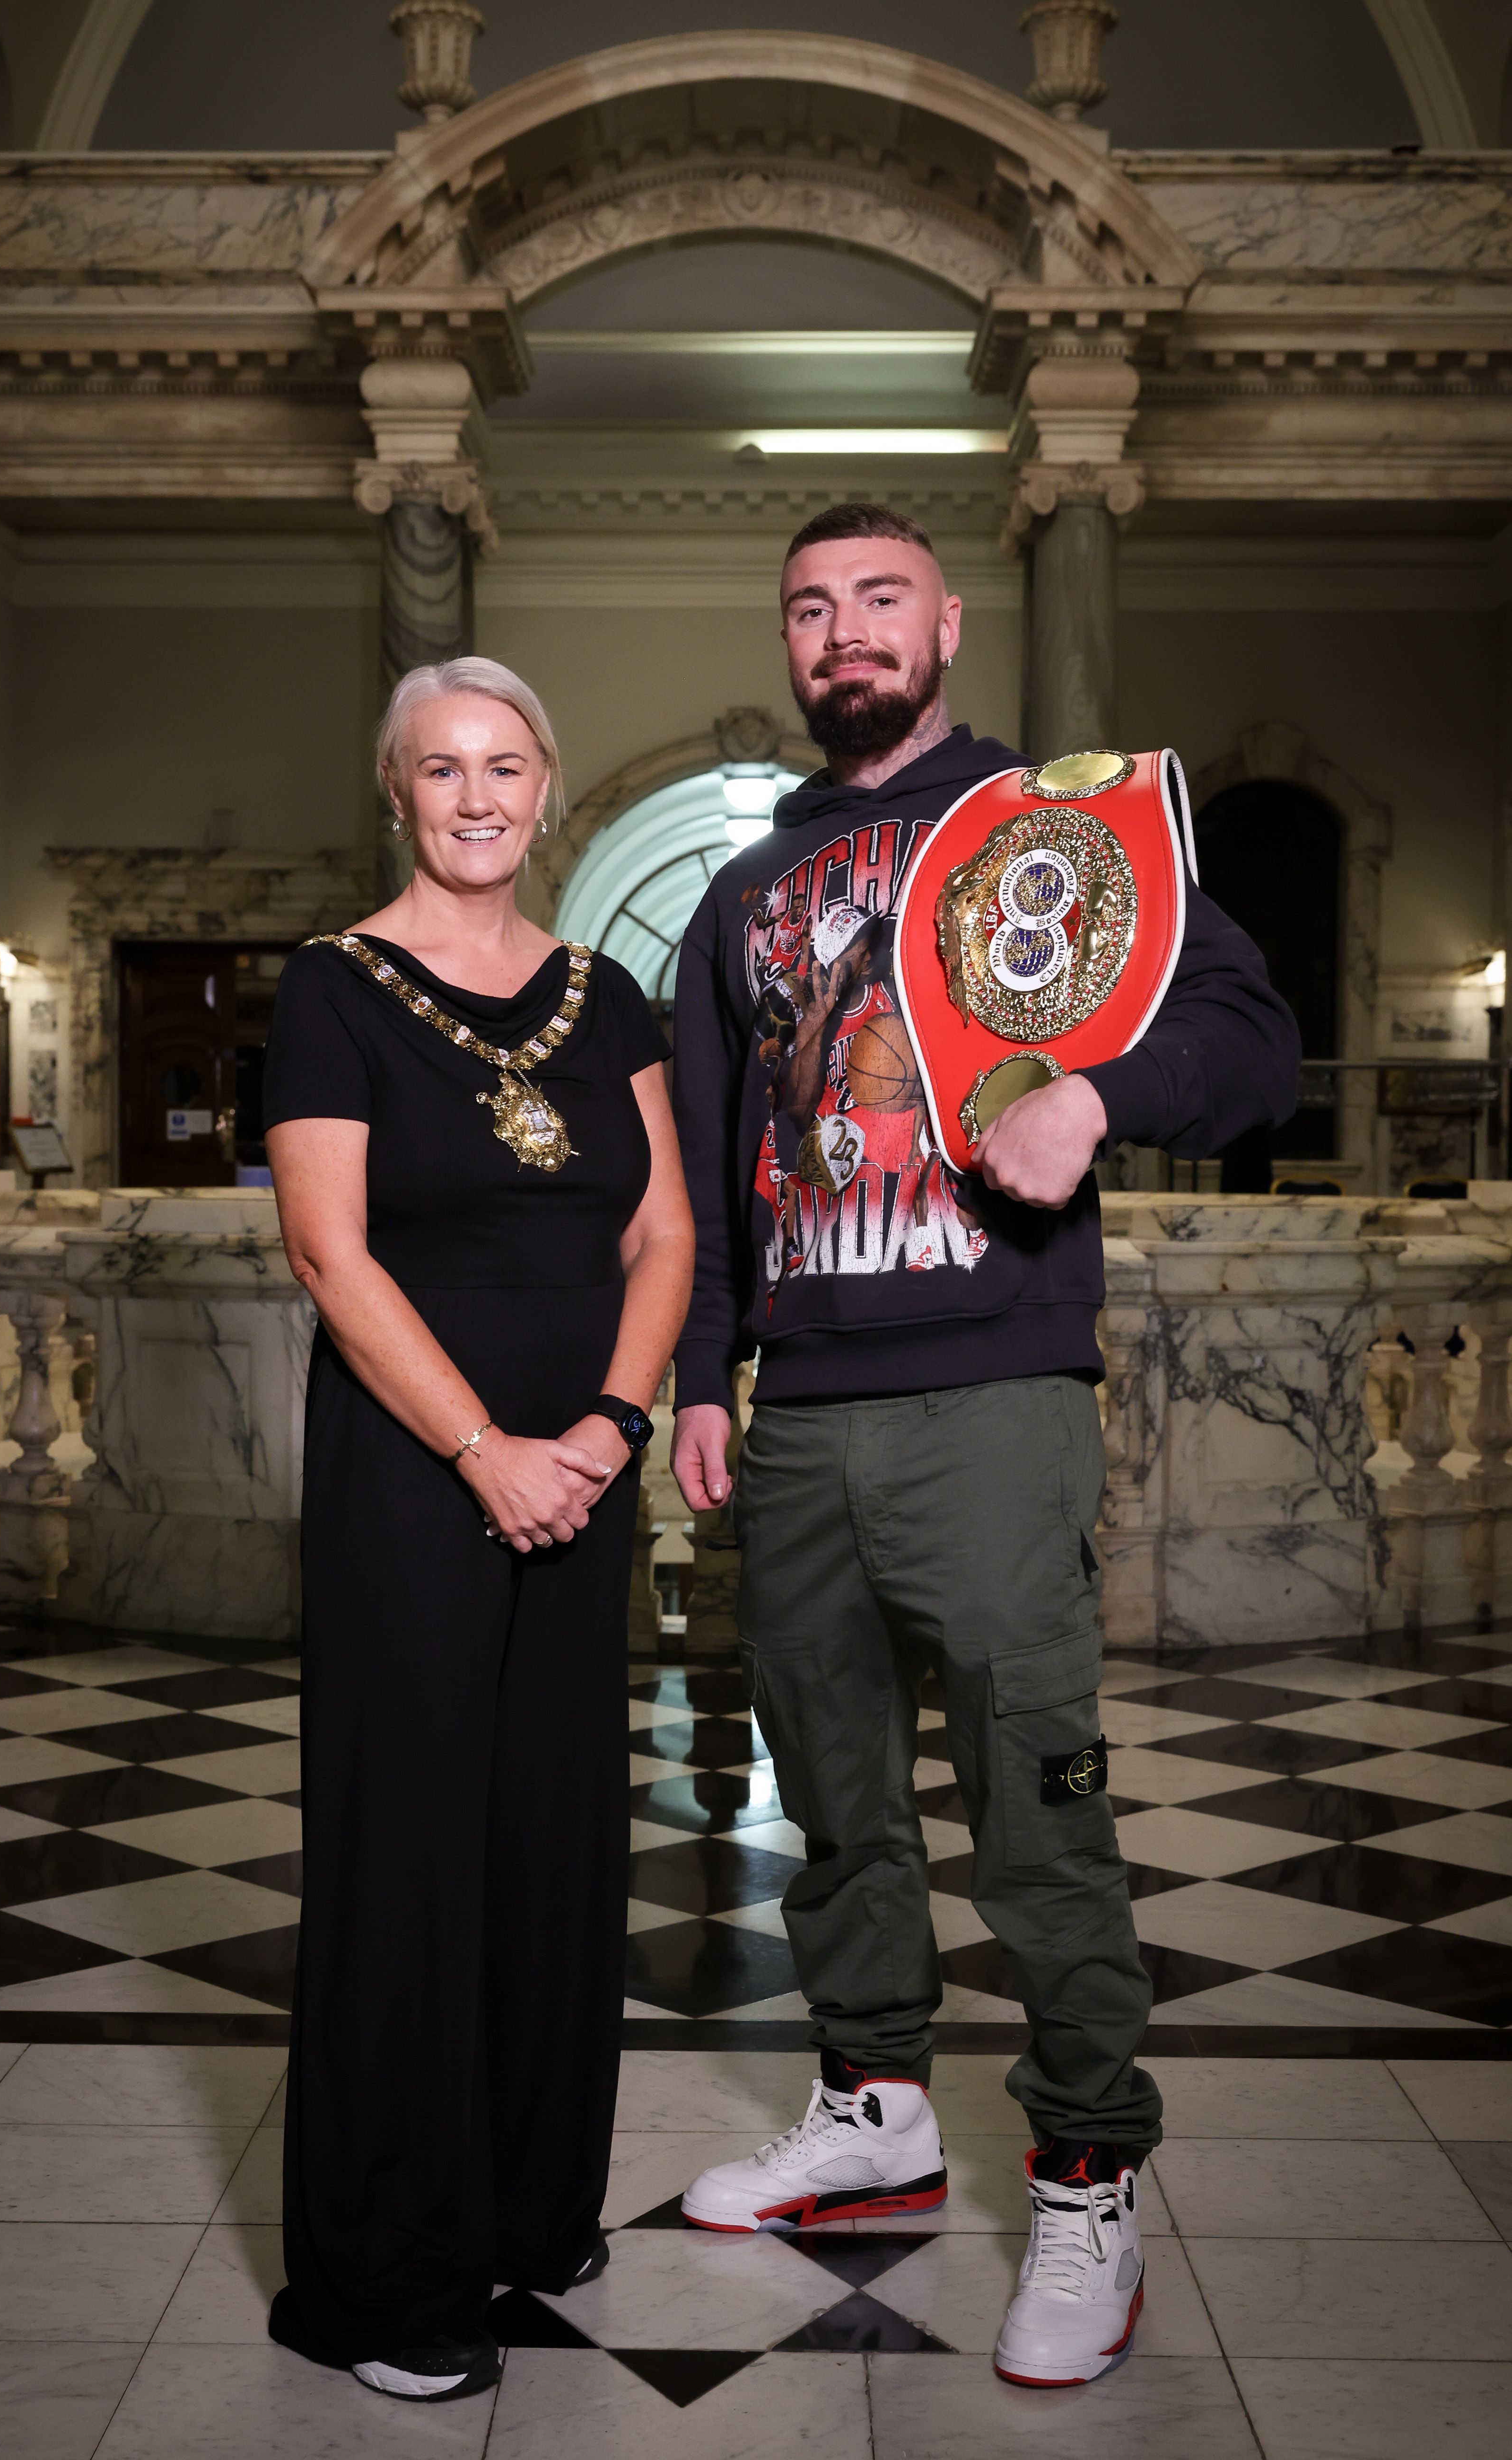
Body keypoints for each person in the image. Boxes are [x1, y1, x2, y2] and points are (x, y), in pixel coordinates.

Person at [670, 503, 1299, 2387]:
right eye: (810, 607)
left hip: (996, 1396)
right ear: (789, 644)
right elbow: (718, 1169)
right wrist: (707, 1376)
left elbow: (1253, 1048)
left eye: (879, 599)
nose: (843, 632)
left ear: (945, 621)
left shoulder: (1054, 827)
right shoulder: (739, 892)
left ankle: (1091, 2182)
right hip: (800, 1411)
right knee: (833, 1799)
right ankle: (875, 2110)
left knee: (1040, 1802)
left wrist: (1099, 1094)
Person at [262, 655, 694, 2404]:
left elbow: (660, 1233)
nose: (475, 795)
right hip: (413, 1480)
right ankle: (391, 2264)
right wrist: (483, 1450)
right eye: (439, 768)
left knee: (549, 1838)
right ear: (395, 789)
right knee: (413, 1848)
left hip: (578, 1475)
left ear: (545, 784)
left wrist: (603, 1429)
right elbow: (328, 1254)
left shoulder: (607, 997)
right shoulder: (332, 989)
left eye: (504, 764)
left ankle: (527, 2202)